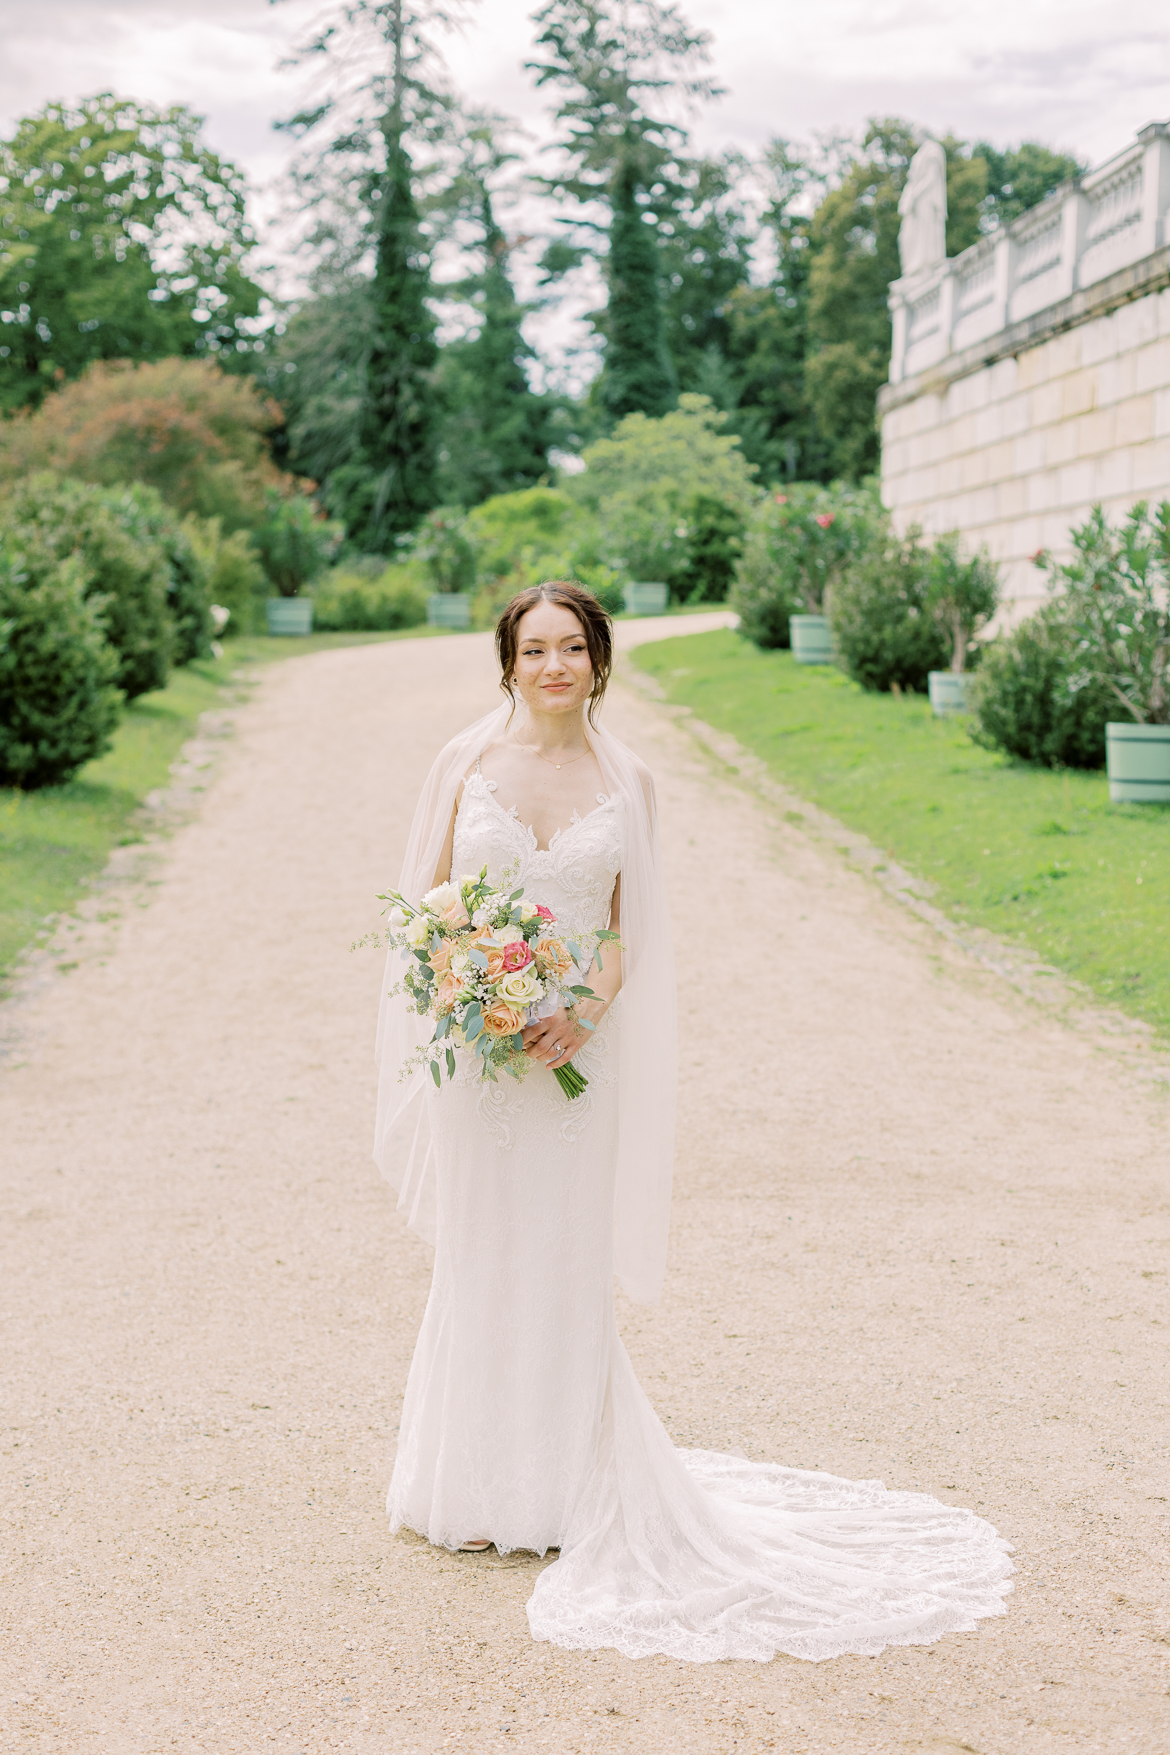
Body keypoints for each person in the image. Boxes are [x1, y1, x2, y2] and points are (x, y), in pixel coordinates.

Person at [374, 581, 1013, 1663]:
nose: (554, 668)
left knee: (564, 1256)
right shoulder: (461, 768)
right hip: (481, 1061)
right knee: (484, 1254)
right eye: (534, 650)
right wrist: (471, 987)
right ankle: (472, 1486)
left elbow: (627, 932)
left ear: (601, 661)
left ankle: (565, 1492)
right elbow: (426, 909)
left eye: (572, 647)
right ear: (507, 663)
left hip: (578, 1050)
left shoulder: (634, 783)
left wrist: (583, 1008)